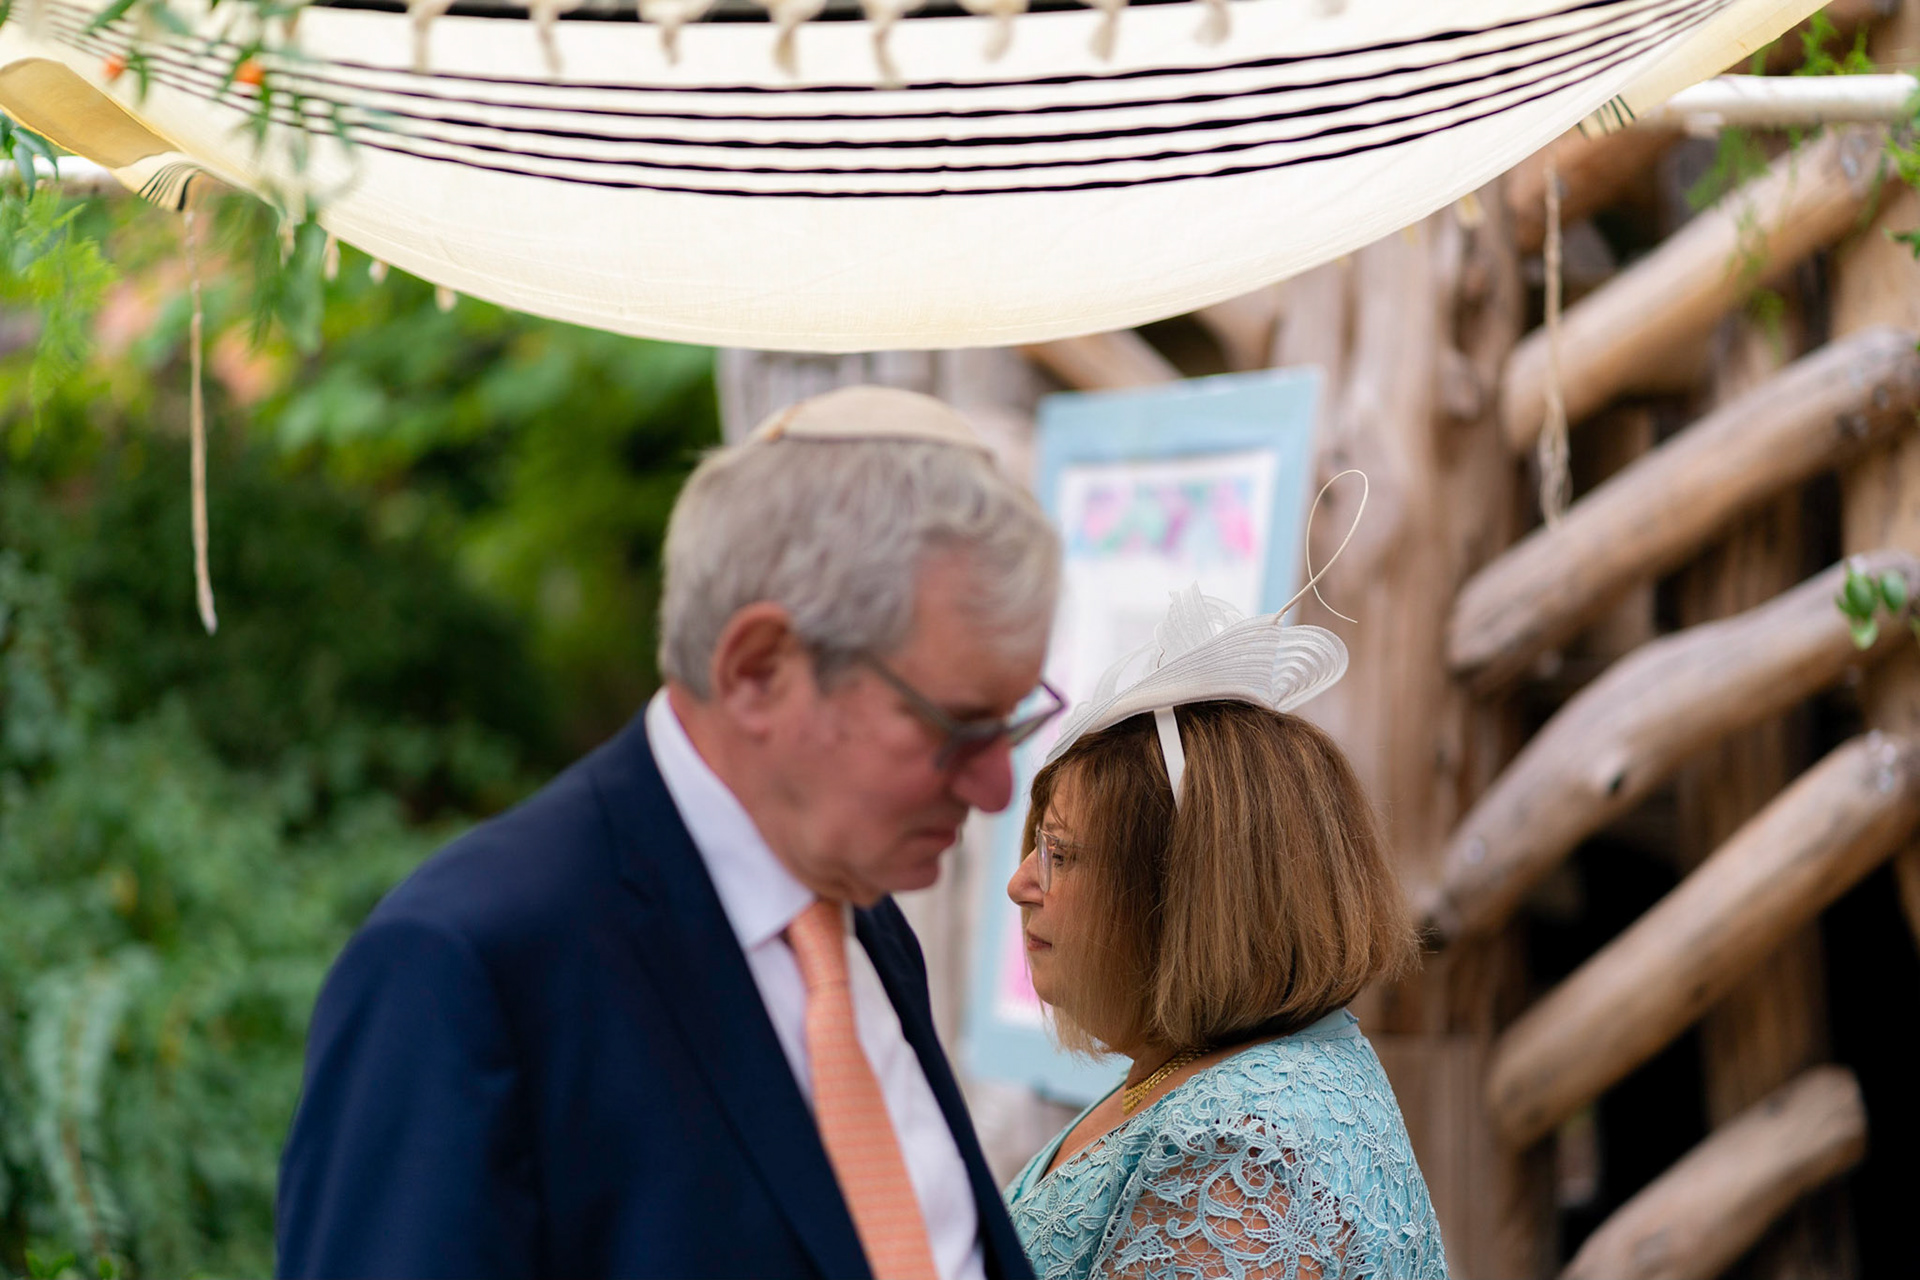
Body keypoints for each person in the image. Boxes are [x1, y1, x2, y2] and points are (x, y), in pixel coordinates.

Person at [276, 386, 1060, 1280]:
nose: (999, 788)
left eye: (1011, 725)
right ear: (758, 670)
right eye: (957, 727)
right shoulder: (464, 971)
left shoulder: (862, 914)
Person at [1001, 587, 1446, 1280]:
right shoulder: (1199, 1068)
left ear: (1181, 893)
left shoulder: (1250, 1148)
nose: (1022, 884)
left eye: (1060, 854)